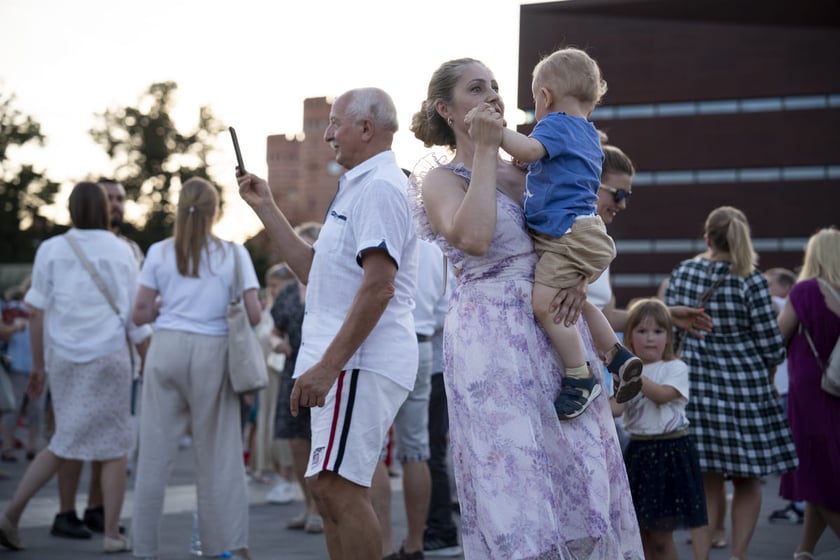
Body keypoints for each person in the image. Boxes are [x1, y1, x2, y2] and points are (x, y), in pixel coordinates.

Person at [408, 57, 642, 558]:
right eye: (476, 89)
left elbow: (578, 228)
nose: (493, 95)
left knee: (578, 477)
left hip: (556, 335)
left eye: (494, 86)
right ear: (446, 109)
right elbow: (475, 238)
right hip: (491, 345)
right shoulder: (441, 180)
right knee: (514, 483)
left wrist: (578, 277)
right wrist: (486, 151)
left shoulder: (532, 166)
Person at [238, 87, 419, 560]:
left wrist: (327, 367)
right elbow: (313, 271)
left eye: (335, 123)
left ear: (367, 128)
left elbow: (379, 287)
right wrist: (266, 206)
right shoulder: (359, 185)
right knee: (327, 489)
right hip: (347, 361)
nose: (327, 135)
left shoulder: (379, 187)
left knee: (338, 488)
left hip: (359, 362)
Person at [489, 46, 642, 419]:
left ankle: (579, 377)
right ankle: (616, 355)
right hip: (583, 231)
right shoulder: (587, 134)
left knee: (545, 304)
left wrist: (497, 132)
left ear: (545, 97)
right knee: (573, 303)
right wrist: (531, 163)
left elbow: (529, 147)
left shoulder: (555, 123)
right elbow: (553, 168)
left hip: (565, 233)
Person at [0, 181, 149, 553]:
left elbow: (36, 312)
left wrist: (38, 366)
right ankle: (110, 532)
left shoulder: (51, 249)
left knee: (63, 439)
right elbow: (134, 315)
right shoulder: (121, 251)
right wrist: (149, 358)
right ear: (102, 209)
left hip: (64, 360)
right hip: (110, 357)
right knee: (114, 447)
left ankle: (13, 515)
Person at [131, 177, 259, 560]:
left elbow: (140, 312)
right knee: (218, 456)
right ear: (215, 211)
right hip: (213, 350)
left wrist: (163, 308)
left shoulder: (159, 251)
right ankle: (225, 546)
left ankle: (144, 549)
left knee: (153, 456)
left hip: (166, 347)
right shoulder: (234, 254)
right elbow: (253, 314)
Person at [665, 205, 798, 560]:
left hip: (696, 386)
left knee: (706, 478)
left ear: (707, 237)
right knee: (747, 478)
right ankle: (738, 555)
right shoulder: (750, 279)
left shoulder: (684, 271)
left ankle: (702, 556)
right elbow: (772, 345)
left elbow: (669, 326)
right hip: (745, 390)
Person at [51, 177, 144, 541]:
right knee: (72, 433)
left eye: (121, 198)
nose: (116, 204)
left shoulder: (131, 249)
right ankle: (65, 511)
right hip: (74, 354)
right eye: (110, 198)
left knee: (107, 437)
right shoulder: (64, 247)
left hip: (118, 357)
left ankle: (96, 507)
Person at [610, 298, 709, 560]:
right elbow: (617, 408)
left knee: (662, 536)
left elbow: (662, 396)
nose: (650, 338)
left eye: (658, 331)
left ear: (668, 337)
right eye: (642, 331)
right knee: (641, 534)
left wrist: (631, 371)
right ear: (629, 336)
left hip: (671, 451)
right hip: (638, 452)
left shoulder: (675, 367)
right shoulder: (625, 372)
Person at [371, 237, 441, 560]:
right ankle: (415, 544)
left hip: (382, 340)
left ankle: (385, 545)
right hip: (422, 343)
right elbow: (445, 306)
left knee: (373, 449)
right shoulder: (435, 245)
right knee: (416, 450)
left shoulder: (384, 231)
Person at [775, 227, 840, 559]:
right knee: (824, 468)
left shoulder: (805, 291)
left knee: (815, 470)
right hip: (837, 388)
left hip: (810, 392)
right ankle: (805, 550)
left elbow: (778, 335)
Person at [270, 222, 324, 533]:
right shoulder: (289, 292)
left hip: (323, 372)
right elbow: (275, 331)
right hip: (292, 372)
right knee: (297, 444)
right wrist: (277, 343)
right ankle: (308, 505)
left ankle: (320, 508)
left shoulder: (328, 286)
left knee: (319, 441)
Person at [422, 263, 460, 557]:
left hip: (435, 366)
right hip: (430, 363)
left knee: (431, 451)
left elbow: (446, 312)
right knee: (425, 451)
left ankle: (442, 529)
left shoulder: (437, 257)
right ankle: (432, 527)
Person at [0, 277, 41, 463]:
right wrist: (17, 326)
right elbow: (4, 335)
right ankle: (7, 447)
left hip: (41, 365)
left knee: (36, 409)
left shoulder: (47, 311)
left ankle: (32, 447)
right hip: (17, 364)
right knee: (13, 407)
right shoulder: (13, 309)